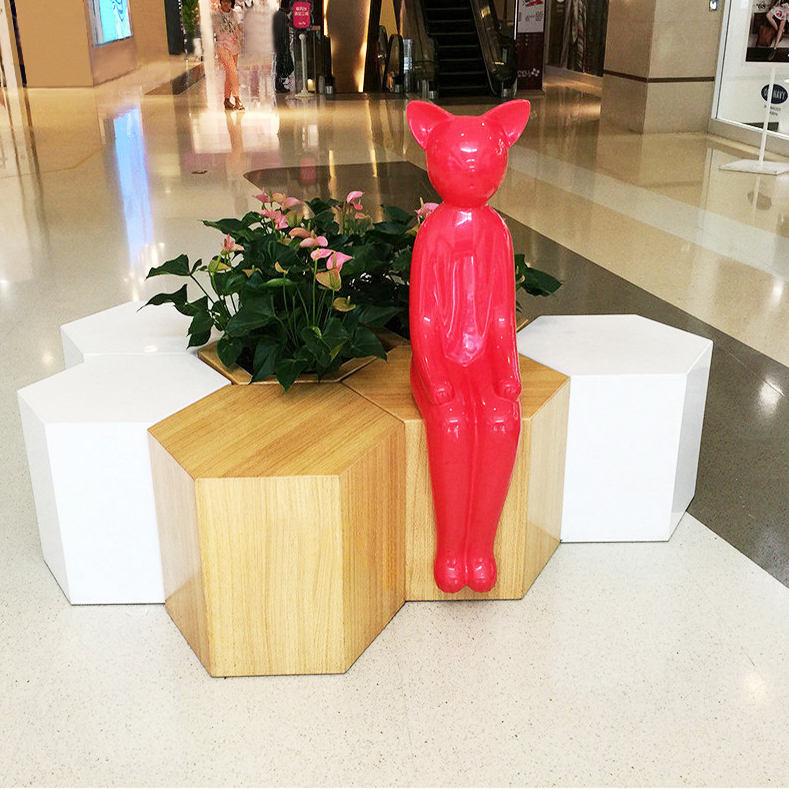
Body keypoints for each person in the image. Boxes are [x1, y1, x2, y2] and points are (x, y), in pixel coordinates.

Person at [213, 0, 245, 110]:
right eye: (224, 1)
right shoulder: (215, 15)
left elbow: (238, 28)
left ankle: (226, 100)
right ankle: (237, 98)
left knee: (230, 73)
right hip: (222, 46)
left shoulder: (234, 13)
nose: (226, 4)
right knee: (233, 71)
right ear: (221, 2)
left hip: (234, 45)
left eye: (228, 1)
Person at [273, 0, 294, 94]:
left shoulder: (276, 15)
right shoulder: (283, 16)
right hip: (282, 45)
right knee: (287, 66)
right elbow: (284, 33)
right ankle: (279, 84)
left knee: (280, 65)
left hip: (277, 44)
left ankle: (279, 84)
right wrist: (286, 48)